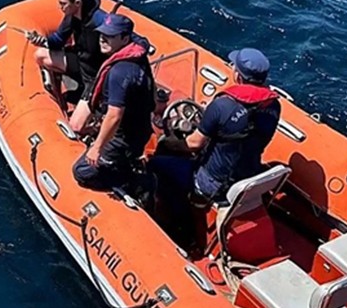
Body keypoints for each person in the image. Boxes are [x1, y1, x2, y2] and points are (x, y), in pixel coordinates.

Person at [151, 48, 281, 244]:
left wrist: (168, 142)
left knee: (156, 164)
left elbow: (194, 144)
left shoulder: (222, 106)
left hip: (212, 182)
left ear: (238, 75)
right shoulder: (273, 107)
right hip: (247, 174)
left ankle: (178, 223)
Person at [71, 13, 156, 193]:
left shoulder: (120, 72)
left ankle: (134, 182)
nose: (102, 39)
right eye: (102, 34)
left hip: (123, 139)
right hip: (139, 129)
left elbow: (114, 116)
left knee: (81, 172)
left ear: (125, 39)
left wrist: (97, 147)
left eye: (110, 36)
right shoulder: (138, 51)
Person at [28, 0, 106, 111]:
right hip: (80, 61)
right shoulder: (71, 16)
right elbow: (58, 39)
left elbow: (128, 38)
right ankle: (58, 101)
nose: (60, 7)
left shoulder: (100, 21)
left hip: (96, 73)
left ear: (77, 3)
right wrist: (42, 41)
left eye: (63, 3)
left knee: (77, 125)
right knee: (41, 55)